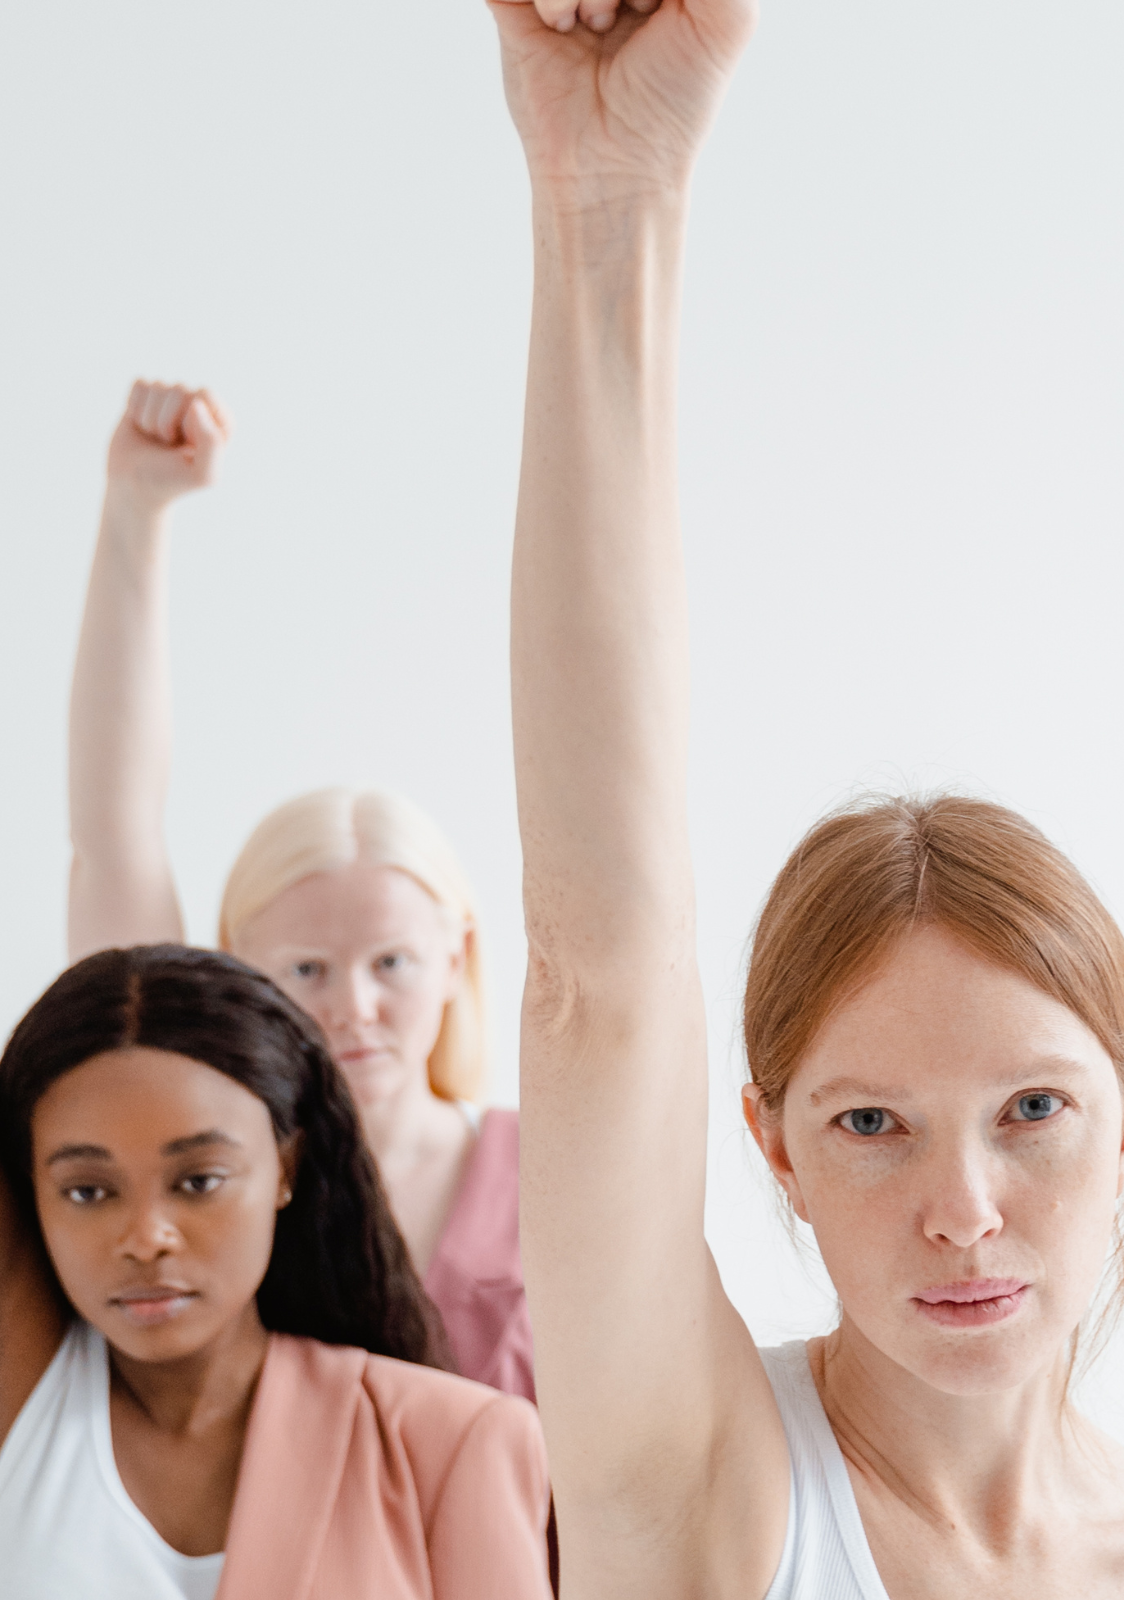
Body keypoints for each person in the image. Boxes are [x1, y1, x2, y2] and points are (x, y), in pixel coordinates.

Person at [490, 1, 1124, 1597]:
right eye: (870, 1126)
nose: (965, 1211)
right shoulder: (712, 1491)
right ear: (773, 1148)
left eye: (1035, 1110)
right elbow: (602, 973)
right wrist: (607, 211)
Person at [68, 380, 533, 1402]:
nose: (351, 1006)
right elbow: (115, 840)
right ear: (243, 971)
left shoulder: (548, 1173)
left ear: (457, 957)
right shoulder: (214, 1170)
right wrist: (136, 515)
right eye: (307, 967)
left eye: (393, 963)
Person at [0, 937, 551, 1597]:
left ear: (285, 1167)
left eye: (198, 1180)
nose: (147, 1238)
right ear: (34, 1191)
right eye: (88, 1190)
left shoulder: (451, 1442)